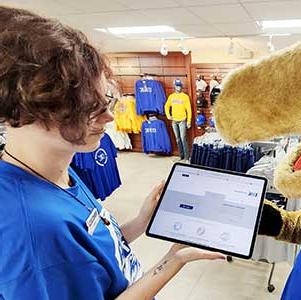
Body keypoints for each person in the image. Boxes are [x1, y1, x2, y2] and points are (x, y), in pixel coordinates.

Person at [0, 6, 224, 299]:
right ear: (28, 110)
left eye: (105, 101)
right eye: (88, 108)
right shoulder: (36, 232)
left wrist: (143, 220)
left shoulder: (55, 170)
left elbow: (96, 249)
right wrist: (173, 261)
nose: (108, 117)